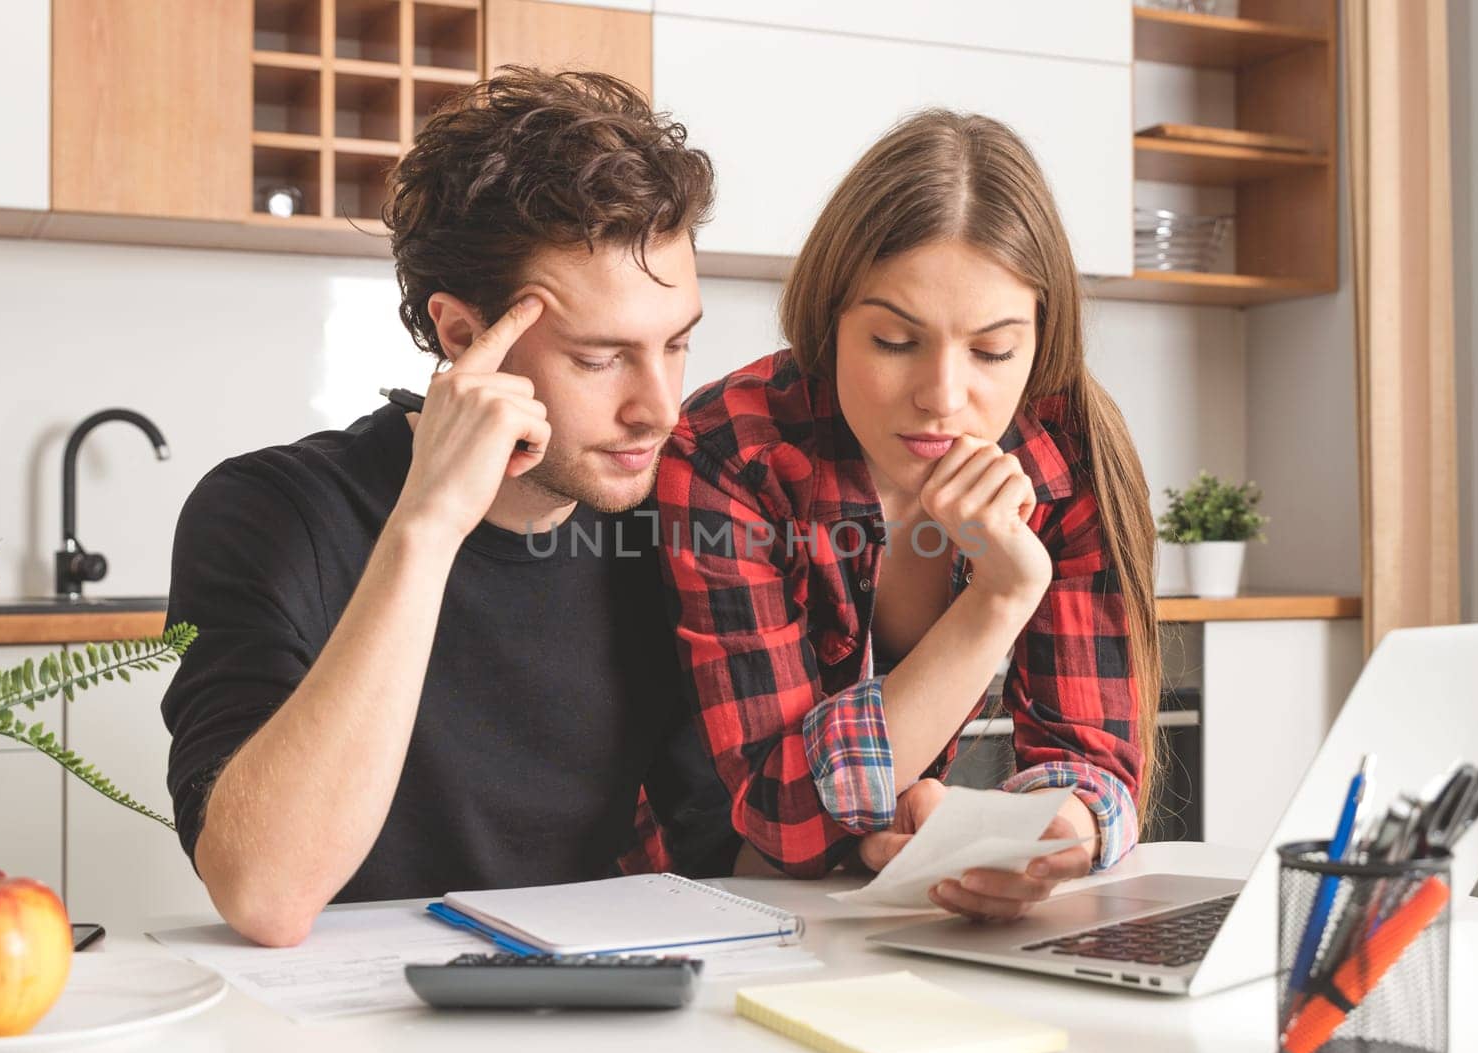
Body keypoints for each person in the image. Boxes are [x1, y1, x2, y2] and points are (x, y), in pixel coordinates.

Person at [162, 69, 735, 947]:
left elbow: (725, 845)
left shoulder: (673, 519)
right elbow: (264, 894)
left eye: (678, 342)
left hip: (603, 1004)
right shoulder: (270, 513)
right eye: (599, 358)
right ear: (466, 337)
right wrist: (426, 530)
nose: (659, 407)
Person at [656, 109, 1160, 921]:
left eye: (993, 352)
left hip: (881, 913)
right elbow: (787, 823)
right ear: (829, 325)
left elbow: (1092, 762)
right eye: (894, 341)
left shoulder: (1066, 457)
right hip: (699, 896)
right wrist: (998, 596)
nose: (944, 397)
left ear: (1041, 342)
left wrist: (1050, 834)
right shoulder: (731, 452)